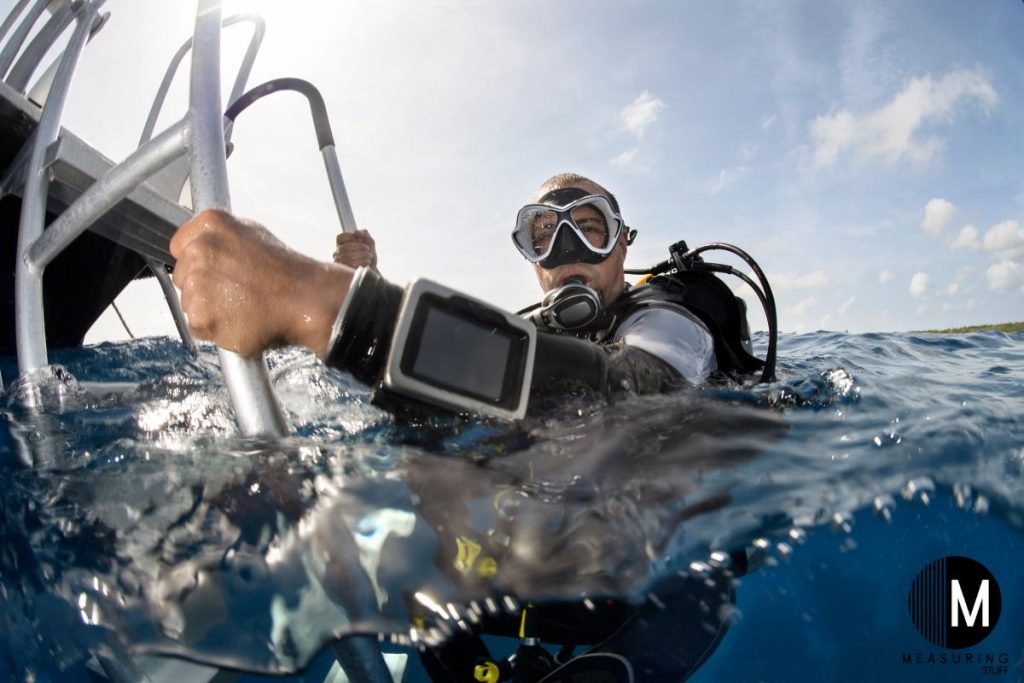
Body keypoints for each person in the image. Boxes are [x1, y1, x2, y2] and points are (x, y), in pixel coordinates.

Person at [170, 172, 759, 681]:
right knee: (403, 536)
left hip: (661, 571)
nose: (566, 248)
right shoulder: (544, 340)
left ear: (623, 244)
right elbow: (481, 380)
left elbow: (641, 392)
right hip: (551, 563)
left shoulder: (673, 312)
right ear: (527, 257)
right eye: (544, 234)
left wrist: (336, 305)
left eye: (589, 225)